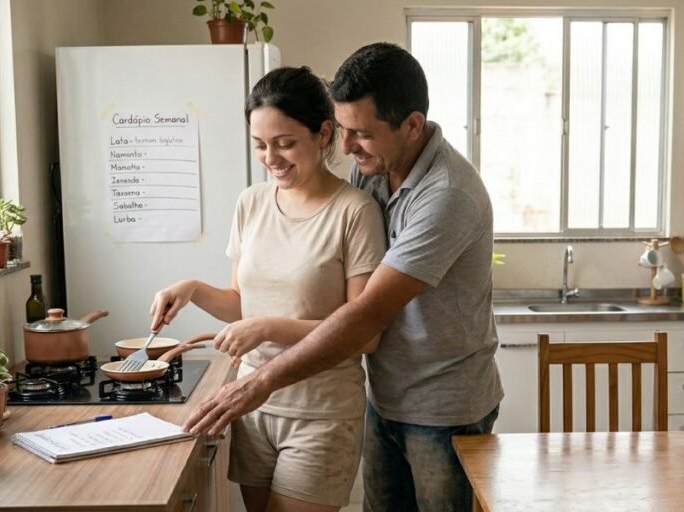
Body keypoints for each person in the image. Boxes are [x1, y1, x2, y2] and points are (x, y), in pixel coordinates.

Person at [184, 42, 504, 512]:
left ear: (412, 125)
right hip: (385, 394)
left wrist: (259, 381)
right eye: (344, 128)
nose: (347, 146)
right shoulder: (374, 169)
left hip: (443, 406)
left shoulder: (447, 196)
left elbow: (365, 315)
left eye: (361, 133)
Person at [149, 66, 386, 512]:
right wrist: (194, 288)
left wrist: (268, 328)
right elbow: (241, 304)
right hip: (251, 405)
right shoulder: (251, 202)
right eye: (260, 145)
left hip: (321, 414)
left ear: (323, 134)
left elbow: (364, 333)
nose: (271, 158)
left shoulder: (355, 213)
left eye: (285, 143)